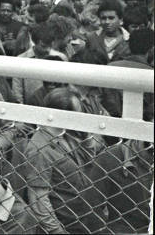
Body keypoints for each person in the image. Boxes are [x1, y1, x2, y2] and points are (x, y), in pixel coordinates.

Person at [22, 88, 107, 234]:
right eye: (78, 113)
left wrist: (85, 133)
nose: (81, 116)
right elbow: (39, 200)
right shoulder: (39, 148)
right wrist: (57, 231)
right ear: (63, 115)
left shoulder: (67, 134)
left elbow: (88, 159)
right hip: (66, 225)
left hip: (83, 219)